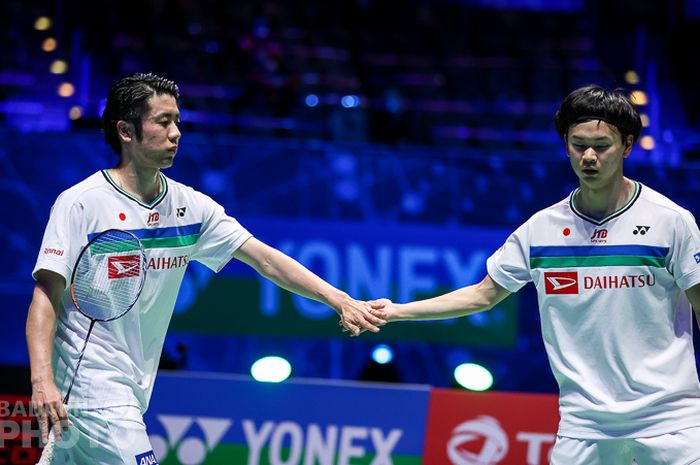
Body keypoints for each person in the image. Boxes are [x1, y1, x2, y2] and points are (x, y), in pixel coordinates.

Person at [26, 72, 386, 464]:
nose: (176, 132)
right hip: (91, 387)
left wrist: (338, 298)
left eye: (177, 121)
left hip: (134, 387)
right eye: (163, 122)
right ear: (126, 131)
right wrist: (42, 379)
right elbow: (45, 296)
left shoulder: (190, 208)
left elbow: (264, 258)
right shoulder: (81, 203)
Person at [370, 85, 700, 464]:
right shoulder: (541, 229)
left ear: (626, 146)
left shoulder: (670, 222)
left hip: (671, 421)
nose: (589, 157)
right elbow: (482, 294)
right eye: (578, 145)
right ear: (565, 145)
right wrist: (396, 311)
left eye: (602, 146)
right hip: (584, 425)